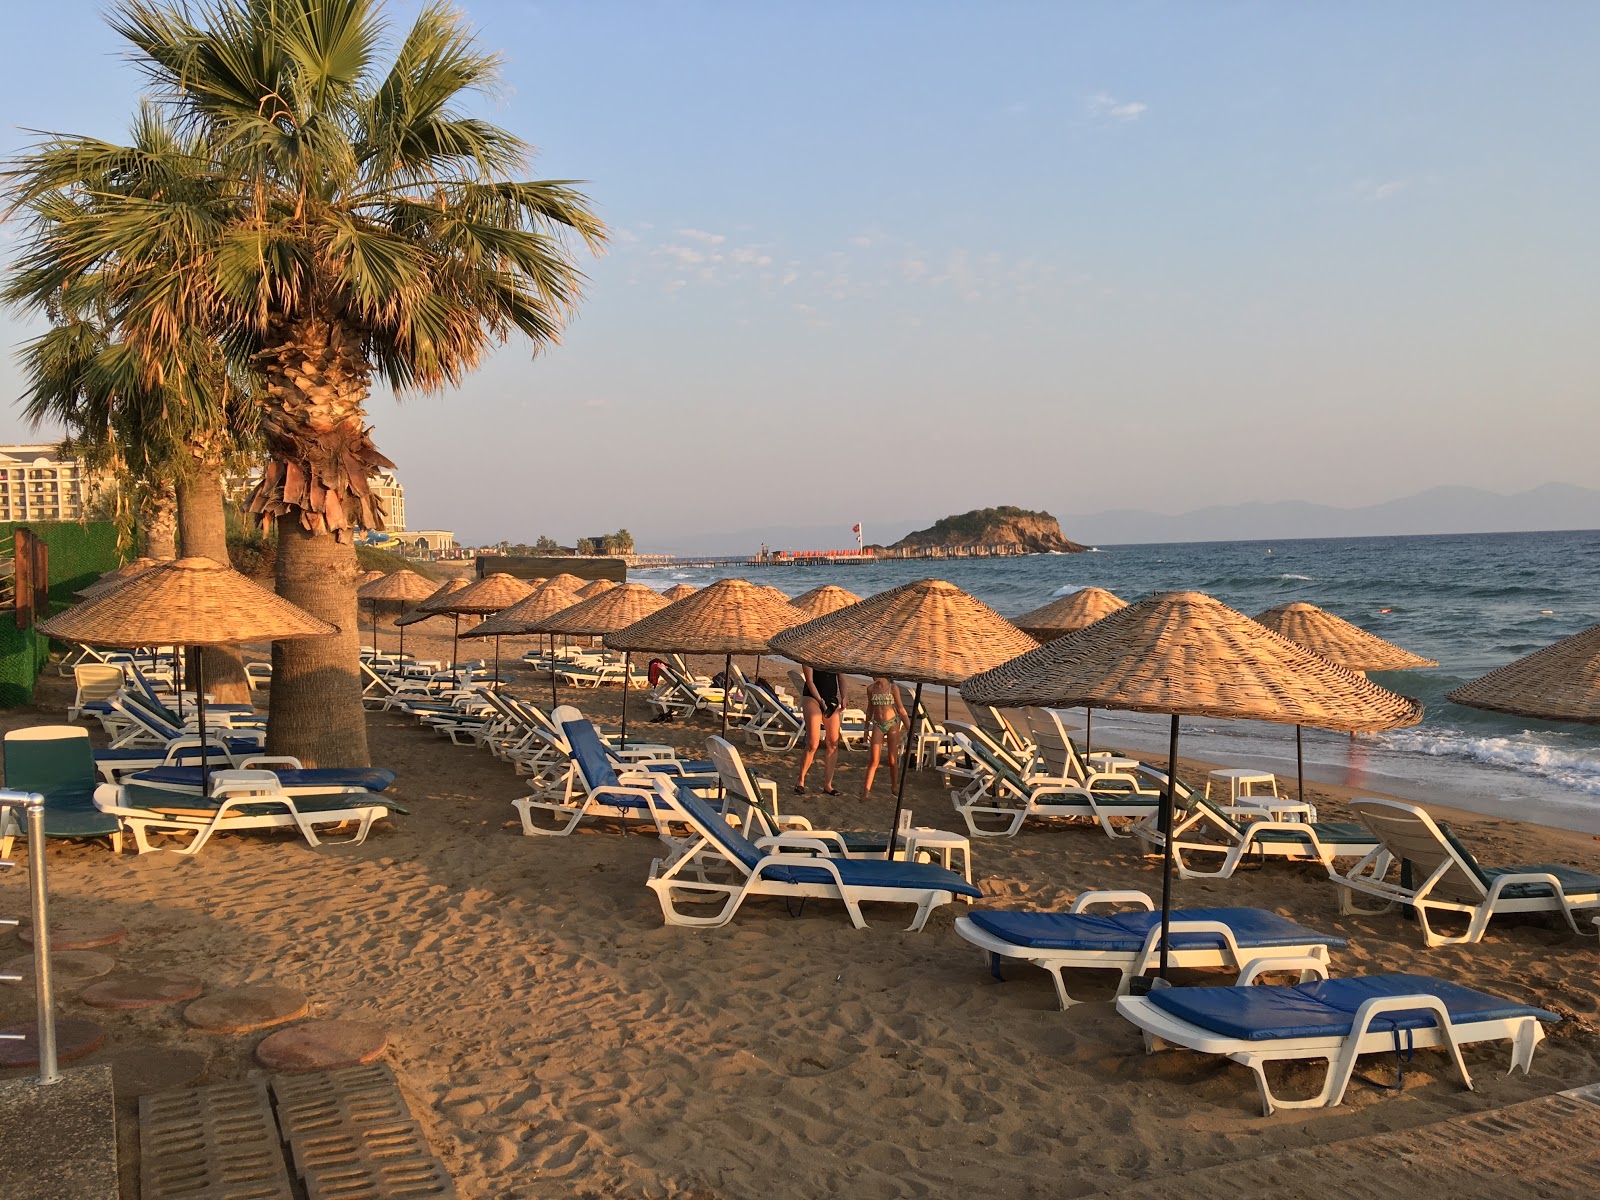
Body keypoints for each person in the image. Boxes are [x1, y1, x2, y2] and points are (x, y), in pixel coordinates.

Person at [795, 664, 845, 795]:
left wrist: (844, 696)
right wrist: (820, 700)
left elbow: (841, 678)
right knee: (813, 743)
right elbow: (810, 681)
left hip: (830, 699)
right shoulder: (809, 656)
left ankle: (828, 785)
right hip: (812, 697)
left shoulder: (835, 658)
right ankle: (800, 780)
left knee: (833, 743)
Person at [862, 677, 909, 799]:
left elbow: (901, 709)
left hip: (892, 723)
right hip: (877, 724)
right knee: (874, 760)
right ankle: (866, 791)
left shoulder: (892, 688)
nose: (873, 675)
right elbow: (869, 709)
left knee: (892, 759)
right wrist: (866, 729)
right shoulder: (871, 689)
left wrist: (910, 728)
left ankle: (894, 787)